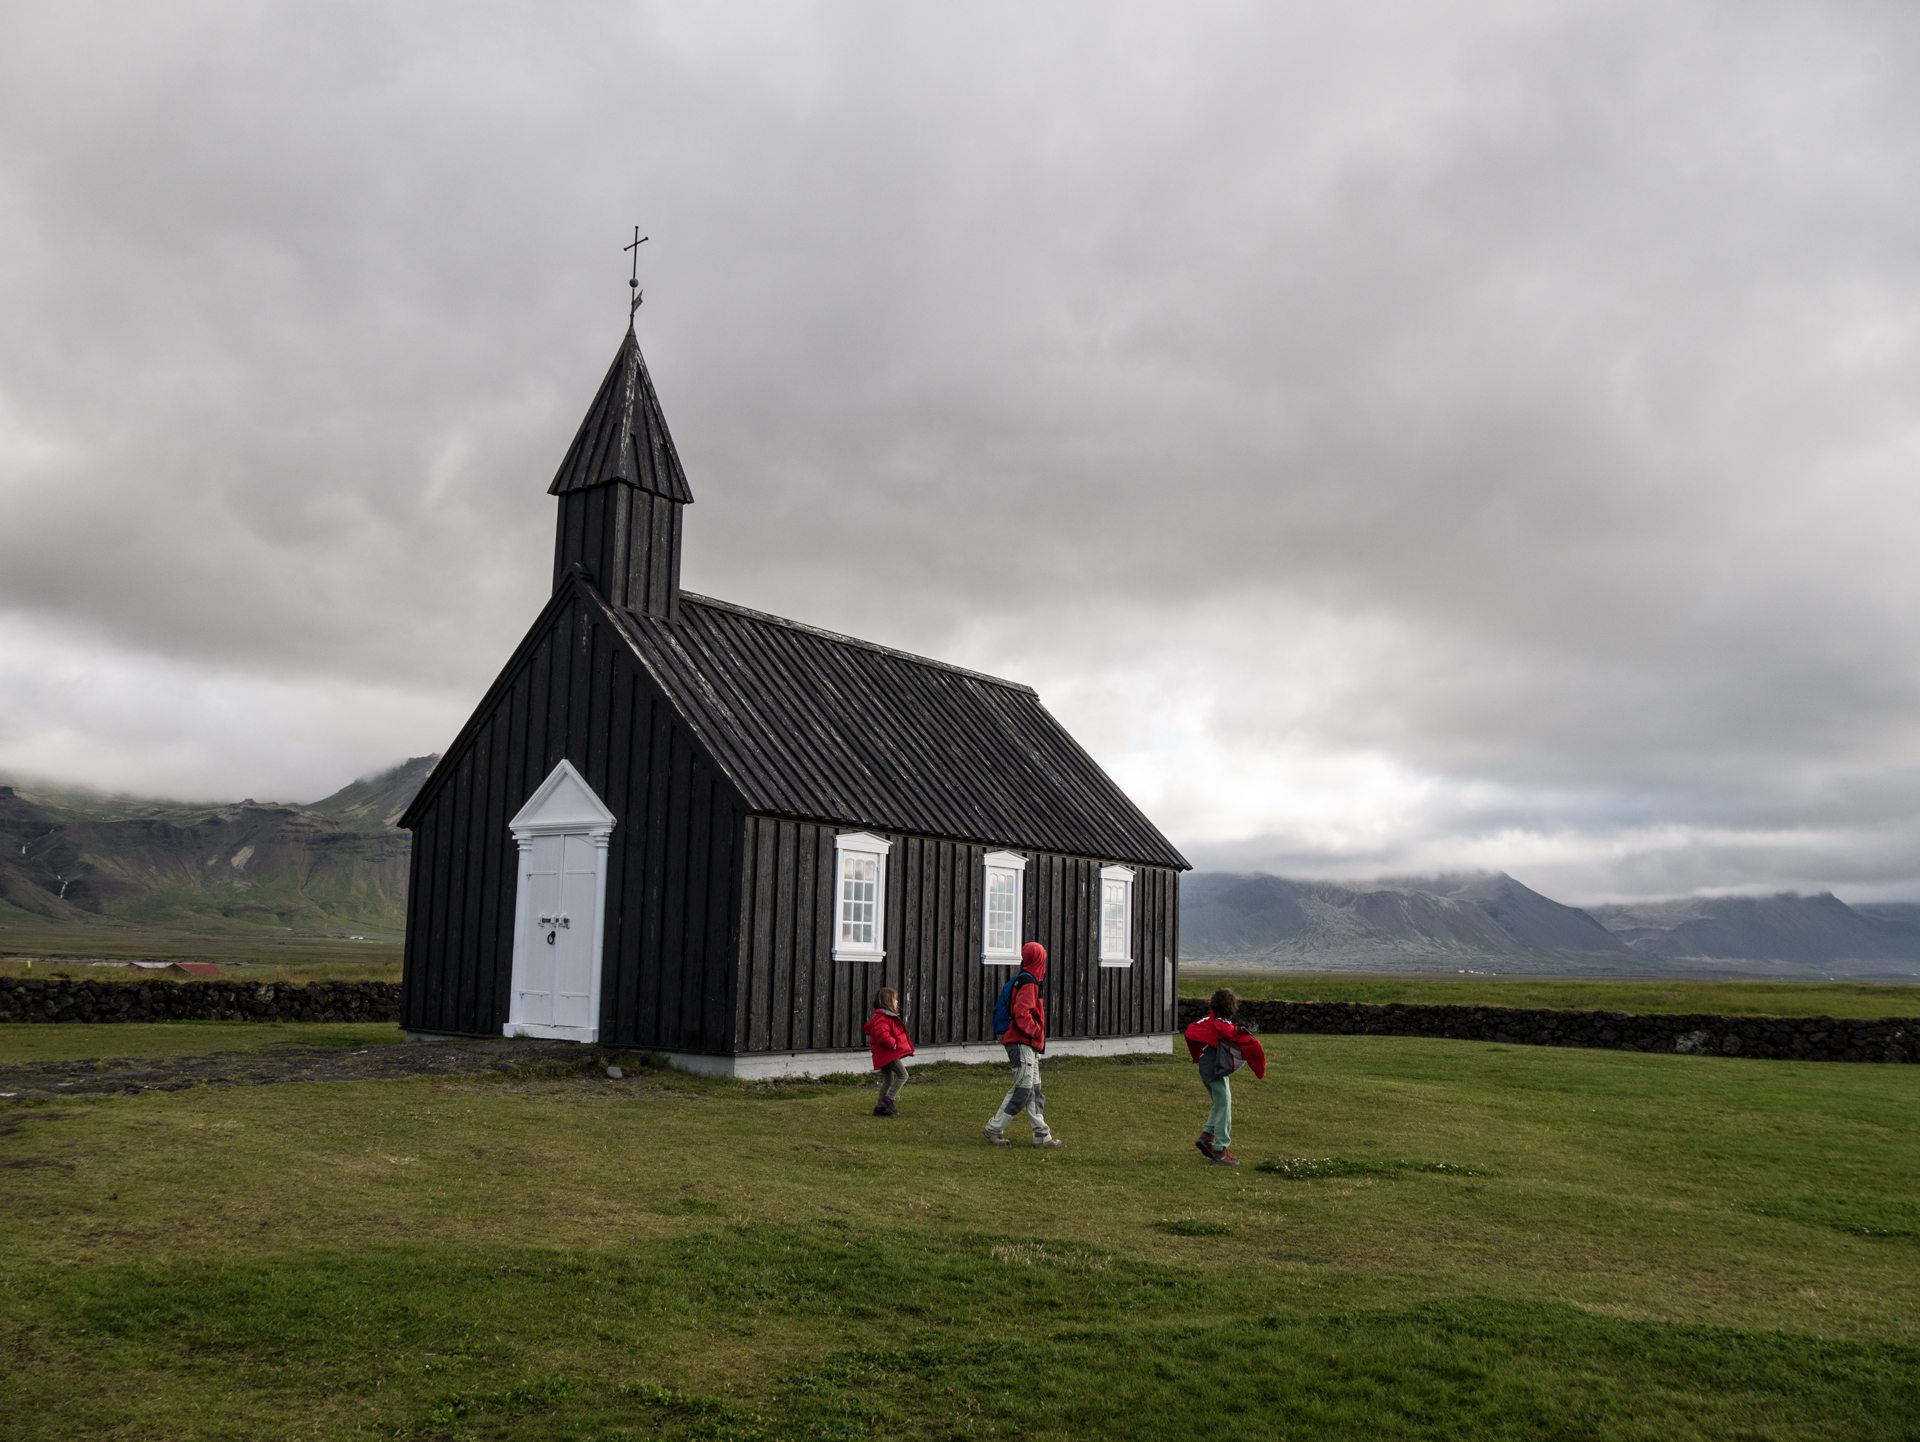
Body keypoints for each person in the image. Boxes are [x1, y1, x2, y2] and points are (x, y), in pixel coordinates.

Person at [984, 942, 1063, 1148]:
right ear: (1039, 960)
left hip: (1024, 1043)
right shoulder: (1029, 982)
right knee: (1024, 1090)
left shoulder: (1023, 979)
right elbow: (1022, 1014)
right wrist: (1037, 1031)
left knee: (1033, 1090)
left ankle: (1042, 1136)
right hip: (1022, 1043)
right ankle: (994, 1128)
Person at [1183, 987, 1266, 1167]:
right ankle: (1220, 1151)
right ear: (1232, 1007)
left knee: (1219, 1103)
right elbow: (1245, 1042)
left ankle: (1207, 1136)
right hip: (1217, 1070)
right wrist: (1259, 1070)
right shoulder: (1225, 1027)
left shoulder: (1206, 1022)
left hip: (1205, 1068)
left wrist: (1196, 1055)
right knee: (1224, 1106)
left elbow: (1190, 1033)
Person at [862, 986, 914, 1116]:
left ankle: (879, 1109)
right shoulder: (883, 1019)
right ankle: (888, 1100)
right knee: (903, 1075)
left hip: (883, 1055)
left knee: (889, 1080)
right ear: (888, 1001)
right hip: (887, 1054)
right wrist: (894, 1045)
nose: (897, 1002)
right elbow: (882, 1037)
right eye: (895, 999)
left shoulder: (885, 1018)